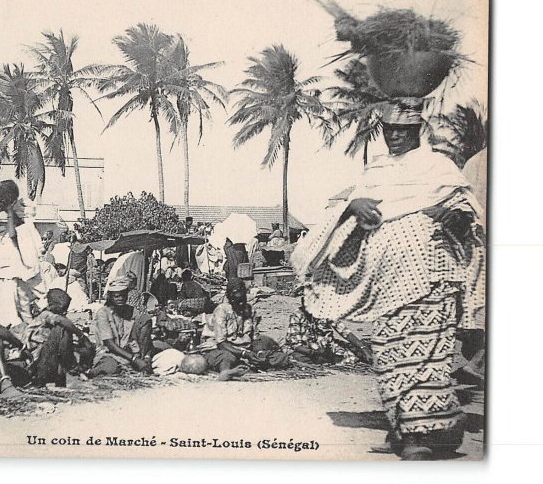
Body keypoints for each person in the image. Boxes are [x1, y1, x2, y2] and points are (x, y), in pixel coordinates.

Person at [292, 112, 485, 461]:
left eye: (403, 130)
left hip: (432, 279)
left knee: (424, 356)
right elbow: (343, 211)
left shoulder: (437, 166)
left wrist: (455, 215)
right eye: (389, 129)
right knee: (388, 353)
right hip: (386, 283)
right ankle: (410, 429)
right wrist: (353, 205)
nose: (395, 135)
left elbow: (466, 209)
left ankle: (417, 438)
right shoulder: (376, 171)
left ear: (417, 130)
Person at [198, 278, 288, 380]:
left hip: (245, 350)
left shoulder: (249, 310)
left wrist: (259, 353)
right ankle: (226, 373)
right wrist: (244, 354)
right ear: (230, 298)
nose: (241, 304)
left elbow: (255, 338)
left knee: (280, 357)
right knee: (228, 358)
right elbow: (221, 344)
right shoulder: (222, 310)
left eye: (243, 300)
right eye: (237, 301)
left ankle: (245, 367)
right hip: (220, 349)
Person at [0, 197, 45, 328]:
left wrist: (10, 212)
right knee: (9, 313)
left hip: (12, 280)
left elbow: (13, 236)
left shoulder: (24, 231)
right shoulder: (0, 235)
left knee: (18, 313)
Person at [23, 288, 95, 386]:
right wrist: (81, 336)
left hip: (46, 356)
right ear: (50, 305)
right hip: (36, 360)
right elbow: (60, 321)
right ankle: (72, 370)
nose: (65, 312)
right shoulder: (46, 315)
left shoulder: (53, 317)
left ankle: (71, 371)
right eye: (62, 309)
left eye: (66, 309)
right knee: (62, 329)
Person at [89, 276, 154, 377]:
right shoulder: (103, 313)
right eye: (117, 296)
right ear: (110, 296)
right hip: (109, 353)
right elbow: (110, 344)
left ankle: (142, 360)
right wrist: (133, 359)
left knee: (145, 319)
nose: (121, 299)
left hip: (130, 351)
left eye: (123, 296)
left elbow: (144, 325)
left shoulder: (131, 310)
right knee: (111, 368)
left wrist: (146, 357)